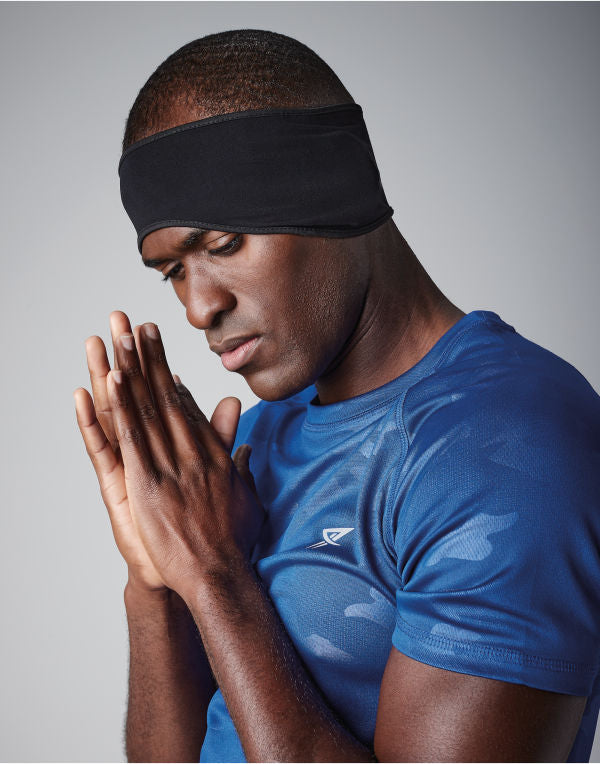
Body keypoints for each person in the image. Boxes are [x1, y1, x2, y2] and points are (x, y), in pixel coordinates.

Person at [73, 29, 600, 762]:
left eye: (222, 245)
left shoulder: (508, 446)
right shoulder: (249, 442)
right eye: (173, 272)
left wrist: (215, 575)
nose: (198, 308)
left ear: (333, 194)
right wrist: (156, 579)